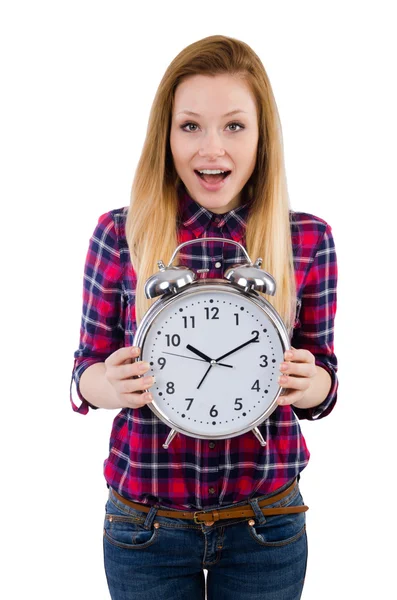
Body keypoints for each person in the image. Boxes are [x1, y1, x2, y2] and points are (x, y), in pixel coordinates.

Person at [71, 34, 338, 600]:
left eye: (234, 126)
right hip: (145, 525)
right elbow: (82, 376)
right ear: (165, 136)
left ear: (263, 137)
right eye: (190, 125)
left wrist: (313, 382)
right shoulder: (120, 235)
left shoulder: (306, 241)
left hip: (266, 523)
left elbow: (326, 382)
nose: (211, 148)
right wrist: (108, 383)